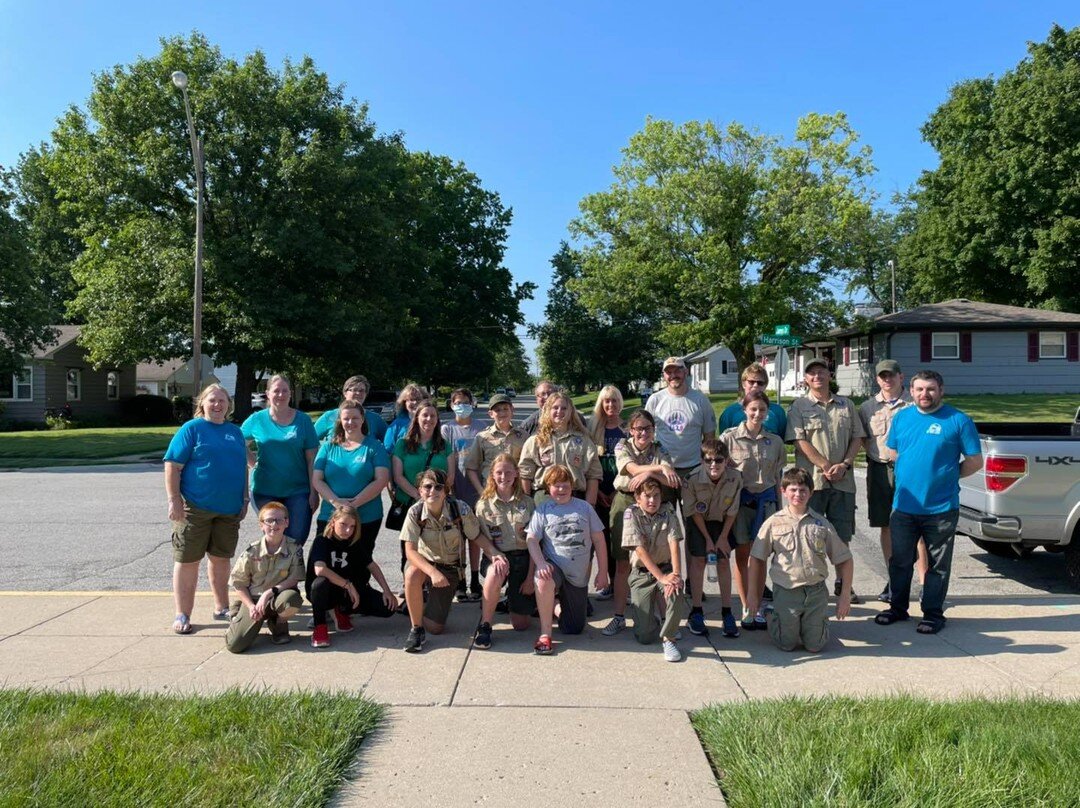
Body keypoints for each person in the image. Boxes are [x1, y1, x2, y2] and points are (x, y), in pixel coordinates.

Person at [875, 370, 983, 635]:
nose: (925, 394)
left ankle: (933, 613)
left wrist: (948, 474)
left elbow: (974, 461)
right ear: (911, 391)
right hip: (904, 507)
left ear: (941, 390)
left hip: (941, 508)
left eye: (931, 389)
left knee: (937, 565)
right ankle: (897, 608)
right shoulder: (902, 418)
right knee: (900, 561)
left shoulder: (959, 420)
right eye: (920, 389)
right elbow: (893, 451)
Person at [164, 383, 248, 633]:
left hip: (228, 510)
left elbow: (242, 467)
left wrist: (244, 499)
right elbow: (172, 465)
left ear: (228, 405)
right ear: (202, 403)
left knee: (221, 559)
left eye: (222, 400)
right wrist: (174, 500)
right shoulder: (192, 429)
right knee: (188, 560)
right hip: (194, 507)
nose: (217, 405)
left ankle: (221, 607)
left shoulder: (235, 432)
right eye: (212, 400)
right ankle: (182, 614)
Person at [746, 468, 853, 653]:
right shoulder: (773, 523)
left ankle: (814, 622)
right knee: (787, 644)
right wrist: (752, 594)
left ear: (811, 493)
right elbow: (756, 559)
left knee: (815, 646)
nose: (798, 494)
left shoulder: (821, 523)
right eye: (793, 489)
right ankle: (773, 614)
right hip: (787, 590)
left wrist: (844, 597)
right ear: (783, 491)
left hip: (816, 591)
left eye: (803, 490)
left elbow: (845, 560)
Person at [786, 358, 865, 603]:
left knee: (842, 536)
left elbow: (857, 437)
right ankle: (812, 585)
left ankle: (844, 585)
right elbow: (799, 441)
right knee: (809, 536)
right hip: (811, 485)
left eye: (821, 372)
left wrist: (845, 464)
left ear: (830, 375)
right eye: (811, 373)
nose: (817, 376)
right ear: (806, 379)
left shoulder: (847, 405)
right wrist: (825, 465)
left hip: (843, 482)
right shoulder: (799, 406)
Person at [602, 408, 680, 635]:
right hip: (626, 501)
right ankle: (618, 616)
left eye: (647, 428)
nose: (643, 433)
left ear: (653, 430)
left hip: (655, 502)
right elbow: (631, 469)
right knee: (622, 562)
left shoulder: (660, 448)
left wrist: (648, 475)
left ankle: (664, 616)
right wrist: (658, 469)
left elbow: (669, 479)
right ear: (630, 430)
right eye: (638, 428)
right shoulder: (622, 446)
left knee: (656, 557)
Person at [857, 359, 923, 603]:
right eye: (883, 376)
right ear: (877, 379)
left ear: (901, 377)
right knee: (886, 524)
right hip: (880, 469)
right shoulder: (867, 407)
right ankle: (893, 579)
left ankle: (924, 581)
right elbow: (862, 438)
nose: (888, 379)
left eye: (892, 375)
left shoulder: (915, 404)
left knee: (918, 526)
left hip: (911, 470)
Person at [527, 465, 609, 655]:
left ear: (572, 486)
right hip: (554, 566)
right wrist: (540, 563)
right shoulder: (543, 509)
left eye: (565, 485)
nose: (561, 489)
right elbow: (531, 539)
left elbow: (599, 539)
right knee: (543, 578)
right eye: (556, 485)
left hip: (577, 575)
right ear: (548, 487)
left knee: (574, 628)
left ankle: (555, 605)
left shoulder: (584, 508)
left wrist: (602, 572)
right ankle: (545, 634)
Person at [721, 390, 786, 630]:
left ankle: (757, 606)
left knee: (760, 556)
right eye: (753, 409)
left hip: (766, 504)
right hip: (740, 503)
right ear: (744, 410)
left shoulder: (775, 442)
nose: (757, 414)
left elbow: (778, 477)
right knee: (742, 555)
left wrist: (781, 510)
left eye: (762, 410)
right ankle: (746, 606)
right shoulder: (729, 439)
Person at [401, 468, 482, 653]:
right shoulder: (415, 512)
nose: (433, 491)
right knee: (412, 573)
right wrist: (432, 572)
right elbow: (410, 552)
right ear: (420, 490)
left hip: (449, 568)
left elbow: (476, 536)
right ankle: (416, 629)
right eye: (427, 486)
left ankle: (422, 603)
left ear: (446, 491)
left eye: (438, 487)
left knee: (436, 628)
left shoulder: (459, 508)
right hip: (425, 564)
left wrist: (494, 553)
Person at [241, 374, 319, 546]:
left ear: (290, 394)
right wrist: (253, 463)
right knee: (273, 537)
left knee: (296, 539)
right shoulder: (257, 419)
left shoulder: (303, 420)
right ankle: (272, 572)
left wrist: (314, 492)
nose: (281, 395)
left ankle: (294, 573)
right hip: (265, 489)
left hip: (298, 490)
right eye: (276, 391)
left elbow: (311, 459)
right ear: (267, 393)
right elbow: (239, 443)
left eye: (285, 391)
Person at [306, 506, 397, 648]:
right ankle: (320, 627)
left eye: (352, 526)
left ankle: (341, 610)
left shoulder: (354, 543)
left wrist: (387, 591)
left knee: (388, 608)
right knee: (320, 583)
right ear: (333, 522)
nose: (348, 530)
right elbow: (320, 569)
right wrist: (347, 585)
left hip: (347, 593)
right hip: (326, 592)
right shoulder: (322, 541)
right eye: (343, 524)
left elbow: (372, 566)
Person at [472, 454, 536, 648]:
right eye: (499, 472)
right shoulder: (483, 505)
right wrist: (495, 555)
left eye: (509, 472)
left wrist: (530, 576)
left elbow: (535, 542)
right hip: (497, 555)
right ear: (492, 474)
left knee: (521, 625)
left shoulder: (528, 503)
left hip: (524, 558)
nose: (504, 476)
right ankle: (486, 625)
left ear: (516, 473)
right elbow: (479, 537)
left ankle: (510, 598)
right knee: (495, 572)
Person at [622, 479, 689, 661]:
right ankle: (658, 622)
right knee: (644, 637)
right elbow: (639, 550)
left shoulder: (667, 510)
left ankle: (669, 638)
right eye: (647, 496)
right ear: (638, 498)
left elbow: (674, 541)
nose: (652, 501)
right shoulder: (631, 513)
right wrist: (661, 578)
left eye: (656, 496)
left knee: (676, 588)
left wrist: (675, 575)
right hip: (641, 573)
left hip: (665, 567)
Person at [681, 439, 743, 638]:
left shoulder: (735, 478)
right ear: (701, 461)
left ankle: (727, 612)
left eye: (719, 460)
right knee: (699, 560)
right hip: (699, 522)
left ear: (726, 461)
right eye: (708, 460)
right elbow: (693, 512)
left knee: (723, 561)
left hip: (723, 521)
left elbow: (733, 511)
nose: (713, 465)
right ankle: (696, 611)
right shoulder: (691, 479)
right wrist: (708, 539)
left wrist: (723, 538)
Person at [311, 399, 390, 553]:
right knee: (322, 562)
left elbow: (381, 480)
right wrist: (336, 502)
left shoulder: (375, 447)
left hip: (366, 516)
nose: (350, 422)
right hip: (330, 515)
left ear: (362, 419)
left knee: (359, 566)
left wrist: (353, 505)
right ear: (340, 421)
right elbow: (317, 479)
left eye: (355, 418)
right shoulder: (328, 447)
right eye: (346, 418)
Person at [224, 501, 304, 652]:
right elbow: (238, 583)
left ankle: (278, 624)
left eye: (279, 520)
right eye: (269, 520)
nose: (274, 524)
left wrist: (268, 594)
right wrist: (250, 606)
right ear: (261, 524)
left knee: (292, 600)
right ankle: (238, 612)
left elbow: (294, 579)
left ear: (287, 522)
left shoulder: (294, 548)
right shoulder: (251, 551)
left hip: (277, 596)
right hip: (254, 600)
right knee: (235, 646)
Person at [392, 400, 455, 572]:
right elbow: (397, 475)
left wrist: (435, 498)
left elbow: (450, 476)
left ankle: (434, 584)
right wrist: (419, 496)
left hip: (438, 505)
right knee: (409, 548)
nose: (429, 419)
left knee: (435, 547)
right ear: (417, 418)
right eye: (425, 415)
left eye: (433, 415)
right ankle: (410, 585)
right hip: (409, 502)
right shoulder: (403, 445)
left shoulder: (444, 445)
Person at [442, 387, 487, 603]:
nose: (462, 406)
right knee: (458, 538)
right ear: (451, 405)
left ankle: (475, 579)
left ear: (472, 403)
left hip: (477, 489)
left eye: (465, 402)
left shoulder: (481, 427)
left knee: (475, 536)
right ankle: (460, 580)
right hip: (455, 489)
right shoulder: (447, 430)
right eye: (457, 402)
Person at [518, 391, 602, 505]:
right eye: (555, 408)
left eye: (564, 408)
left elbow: (593, 475)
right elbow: (525, 474)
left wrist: (590, 506)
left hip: (575, 496)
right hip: (544, 497)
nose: (559, 412)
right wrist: (527, 504)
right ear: (548, 411)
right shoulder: (536, 440)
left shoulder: (584, 441)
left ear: (571, 411)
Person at [645, 356, 717, 480]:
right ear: (664, 375)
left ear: (686, 372)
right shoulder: (655, 400)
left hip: (694, 468)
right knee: (662, 501)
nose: (673, 375)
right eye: (669, 372)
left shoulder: (700, 400)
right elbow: (645, 433)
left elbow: (709, 437)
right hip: (663, 468)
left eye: (677, 370)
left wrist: (706, 463)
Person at [587, 385, 627, 608]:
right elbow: (588, 465)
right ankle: (604, 582)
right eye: (606, 401)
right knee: (600, 539)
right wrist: (599, 492)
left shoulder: (627, 429)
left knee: (620, 542)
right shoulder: (593, 429)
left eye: (614, 401)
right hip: (598, 491)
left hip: (621, 492)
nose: (611, 405)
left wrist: (617, 491)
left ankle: (621, 584)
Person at [465, 393, 526, 490]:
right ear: (491, 414)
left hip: (517, 489)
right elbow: (471, 467)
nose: (502, 413)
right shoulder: (482, 437)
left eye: (506, 409)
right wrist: (481, 491)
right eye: (497, 410)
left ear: (512, 410)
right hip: (491, 489)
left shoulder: (523, 436)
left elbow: (527, 466)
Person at [717, 362, 788, 437]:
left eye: (760, 383)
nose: (755, 385)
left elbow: (780, 441)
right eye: (751, 382)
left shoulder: (777, 412)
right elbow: (724, 441)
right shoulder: (730, 413)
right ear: (744, 384)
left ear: (765, 385)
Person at [313, 374, 387, 443]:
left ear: (366, 394)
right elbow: (309, 440)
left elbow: (390, 443)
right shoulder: (329, 417)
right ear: (345, 393)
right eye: (354, 390)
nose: (358, 393)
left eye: (362, 390)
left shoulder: (375, 419)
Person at [383, 383, 426, 452]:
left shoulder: (430, 422)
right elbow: (388, 450)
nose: (415, 402)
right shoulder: (396, 425)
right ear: (404, 403)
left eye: (418, 399)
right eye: (411, 399)